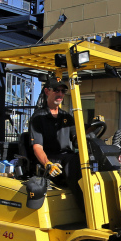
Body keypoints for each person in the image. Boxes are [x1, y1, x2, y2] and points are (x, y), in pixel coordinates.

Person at [28, 76, 83, 204]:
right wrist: (47, 163)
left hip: (68, 157)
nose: (60, 94)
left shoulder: (66, 117)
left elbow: (77, 138)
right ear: (47, 91)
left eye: (63, 91)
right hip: (52, 159)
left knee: (88, 159)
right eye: (56, 90)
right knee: (74, 162)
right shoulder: (38, 118)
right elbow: (37, 147)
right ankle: (84, 206)